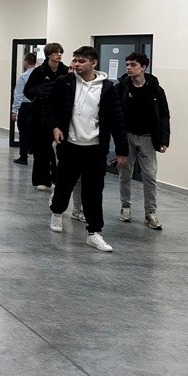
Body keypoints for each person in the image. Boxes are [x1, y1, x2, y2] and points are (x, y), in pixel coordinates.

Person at [45, 45, 128, 252]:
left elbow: (117, 119)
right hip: (70, 145)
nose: (76, 64)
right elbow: (49, 107)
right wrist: (55, 127)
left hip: (95, 149)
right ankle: (57, 212)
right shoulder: (64, 83)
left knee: (94, 192)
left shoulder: (107, 88)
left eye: (81, 61)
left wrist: (121, 150)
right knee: (64, 185)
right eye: (75, 60)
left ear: (94, 63)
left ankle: (94, 232)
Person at [117, 52, 170, 230]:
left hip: (148, 137)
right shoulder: (121, 88)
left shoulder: (156, 90)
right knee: (125, 174)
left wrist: (164, 139)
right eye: (127, 64)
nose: (129, 68)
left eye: (133, 65)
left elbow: (164, 115)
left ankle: (150, 213)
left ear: (143, 67)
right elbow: (115, 112)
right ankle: (125, 206)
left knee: (149, 176)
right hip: (127, 136)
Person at [23, 42, 67, 191]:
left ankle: (57, 178)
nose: (59, 55)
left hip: (59, 114)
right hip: (40, 115)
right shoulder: (39, 72)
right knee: (41, 148)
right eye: (55, 53)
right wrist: (41, 94)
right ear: (48, 55)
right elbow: (28, 91)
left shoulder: (65, 71)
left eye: (60, 52)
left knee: (58, 149)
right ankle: (41, 180)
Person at [11, 52, 37, 164]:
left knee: (23, 132)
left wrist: (14, 110)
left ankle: (23, 156)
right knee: (36, 132)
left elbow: (18, 95)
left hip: (25, 107)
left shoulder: (23, 77)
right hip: (37, 106)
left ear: (26, 62)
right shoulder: (39, 75)